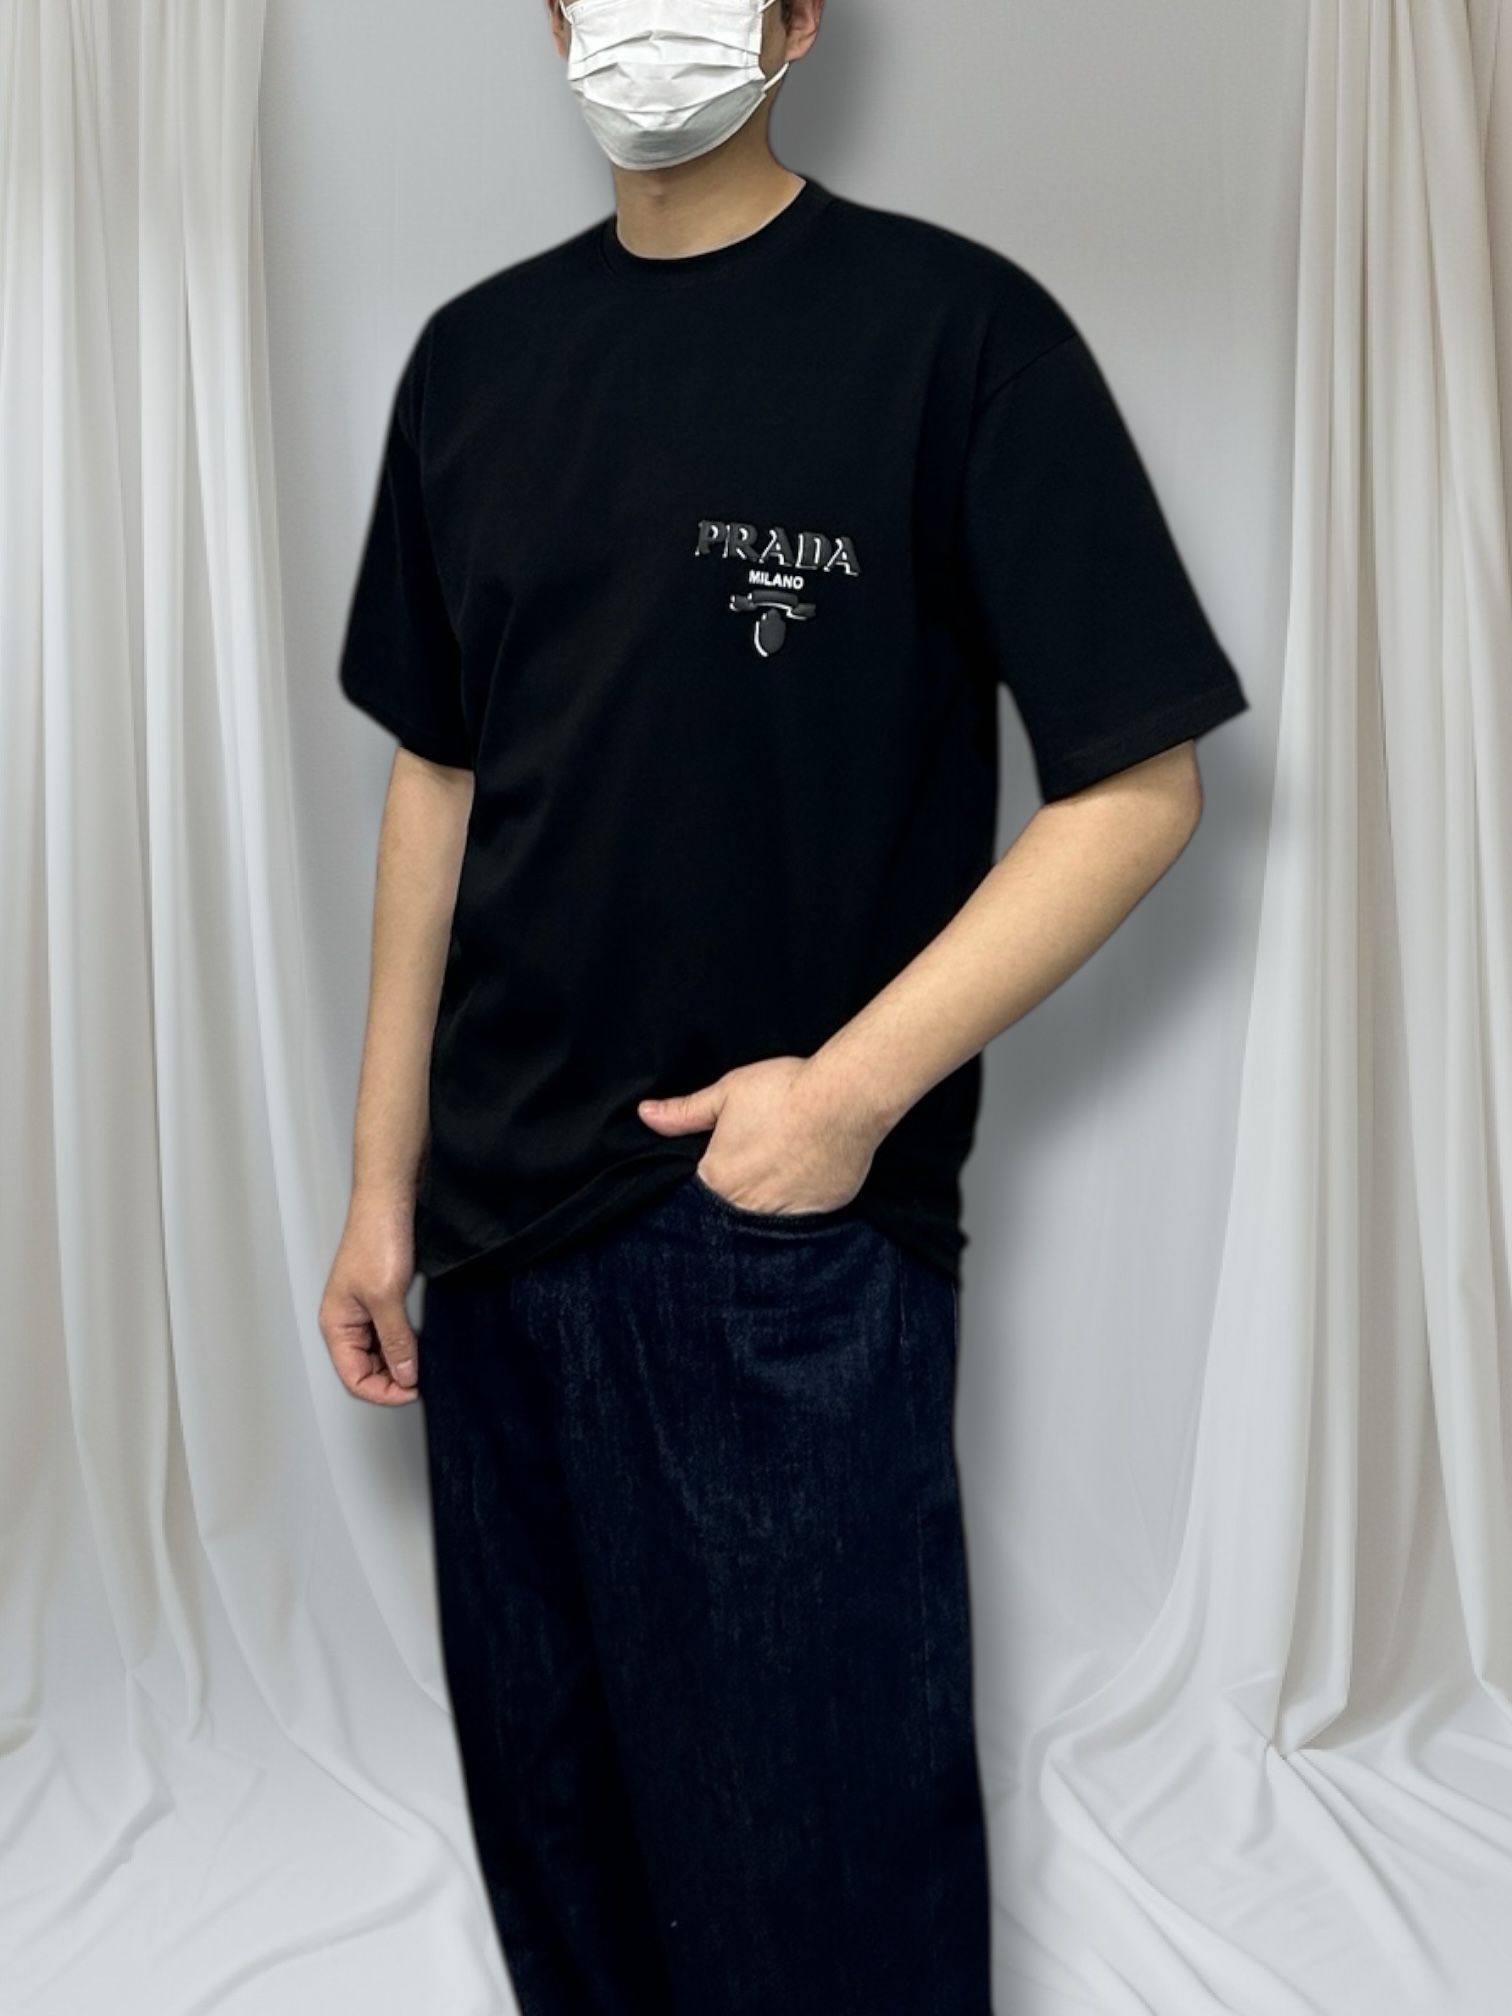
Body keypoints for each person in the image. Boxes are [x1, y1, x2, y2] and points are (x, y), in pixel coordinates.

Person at [319, 2, 1250, 2010]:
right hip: (490, 1241)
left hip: (771, 1248)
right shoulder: (474, 359)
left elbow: (1140, 785)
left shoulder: (954, 335)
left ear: (796, 21)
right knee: (565, 1861)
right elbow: (439, 782)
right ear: (551, 20)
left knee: (823, 1898)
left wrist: (840, 1101)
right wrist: (382, 1187)